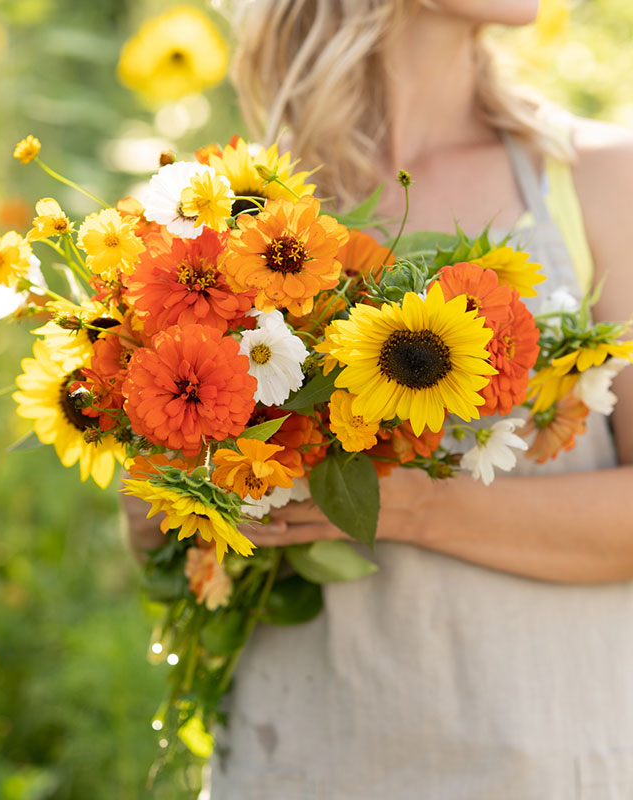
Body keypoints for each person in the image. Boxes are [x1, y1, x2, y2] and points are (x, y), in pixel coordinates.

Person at [125, 1, 633, 796]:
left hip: (552, 756)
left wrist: (406, 509)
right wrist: (176, 493)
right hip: (298, 756)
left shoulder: (601, 179)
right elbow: (164, 538)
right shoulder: (234, 212)